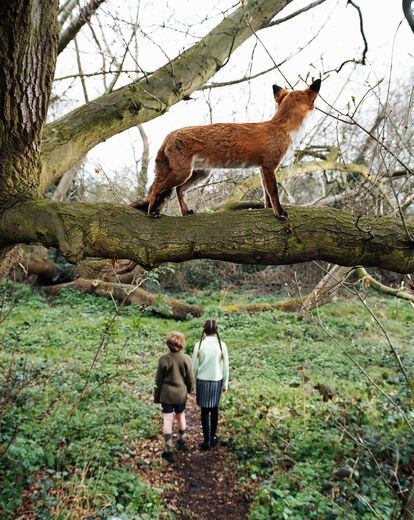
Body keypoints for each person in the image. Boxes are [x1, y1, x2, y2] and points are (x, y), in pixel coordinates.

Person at [154, 331, 195, 463]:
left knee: (167, 419)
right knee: (181, 415)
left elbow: (158, 381)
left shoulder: (163, 359)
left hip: (166, 395)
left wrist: (157, 397)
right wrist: (190, 390)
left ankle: (168, 450)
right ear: (182, 343)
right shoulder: (187, 359)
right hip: (180, 394)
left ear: (169, 344)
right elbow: (190, 379)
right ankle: (182, 441)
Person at [192, 318, 229, 450]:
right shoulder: (221, 345)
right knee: (214, 410)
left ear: (204, 329)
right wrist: (225, 383)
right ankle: (213, 437)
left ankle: (206, 440)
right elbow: (226, 367)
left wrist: (191, 382)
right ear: (216, 330)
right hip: (216, 381)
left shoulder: (199, 345)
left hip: (202, 381)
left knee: (204, 412)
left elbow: (194, 367)